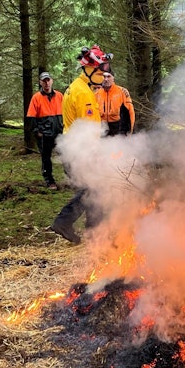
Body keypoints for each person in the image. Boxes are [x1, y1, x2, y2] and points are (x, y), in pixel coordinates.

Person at [51, 44, 113, 244]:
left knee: (94, 189)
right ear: (89, 70)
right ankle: (64, 222)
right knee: (92, 190)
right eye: (102, 69)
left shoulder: (76, 87)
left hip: (74, 146)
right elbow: (90, 129)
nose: (105, 74)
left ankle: (94, 232)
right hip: (81, 149)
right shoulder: (84, 94)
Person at [26, 72, 63, 190]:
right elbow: (31, 117)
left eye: (48, 80)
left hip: (59, 132)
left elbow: (67, 112)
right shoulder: (36, 97)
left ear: (52, 81)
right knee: (46, 158)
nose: (47, 83)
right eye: (44, 81)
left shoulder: (60, 96)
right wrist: (37, 132)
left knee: (67, 155)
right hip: (44, 134)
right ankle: (49, 180)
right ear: (40, 82)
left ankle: (72, 178)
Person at [95, 70, 135, 136]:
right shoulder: (97, 93)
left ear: (113, 78)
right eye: (104, 76)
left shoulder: (122, 92)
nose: (106, 79)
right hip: (102, 127)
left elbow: (130, 112)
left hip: (118, 127)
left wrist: (130, 131)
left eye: (108, 76)